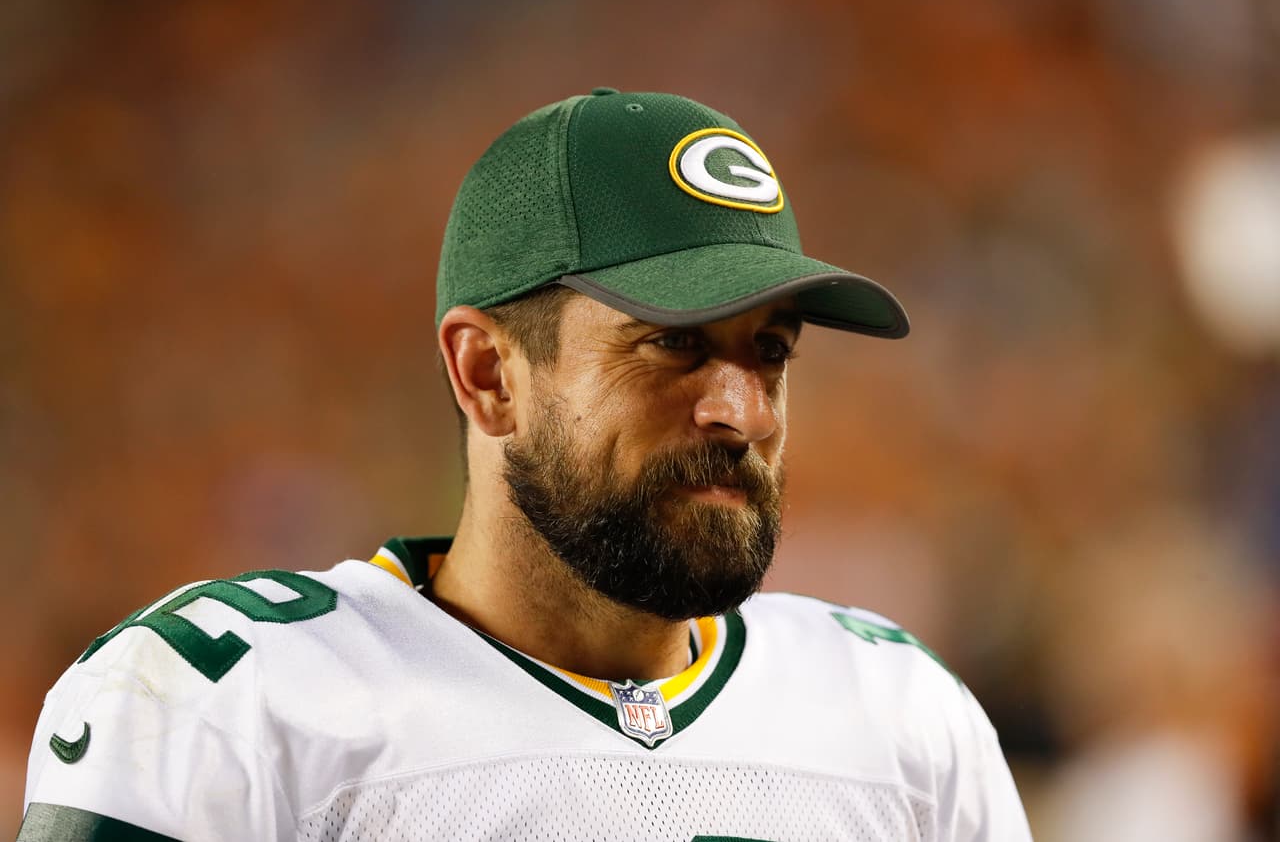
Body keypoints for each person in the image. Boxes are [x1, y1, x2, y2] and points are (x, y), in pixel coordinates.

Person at [20, 88, 1032, 841]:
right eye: (671, 345)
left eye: (768, 351)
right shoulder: (227, 700)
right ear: (488, 374)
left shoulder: (897, 716)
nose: (741, 411)